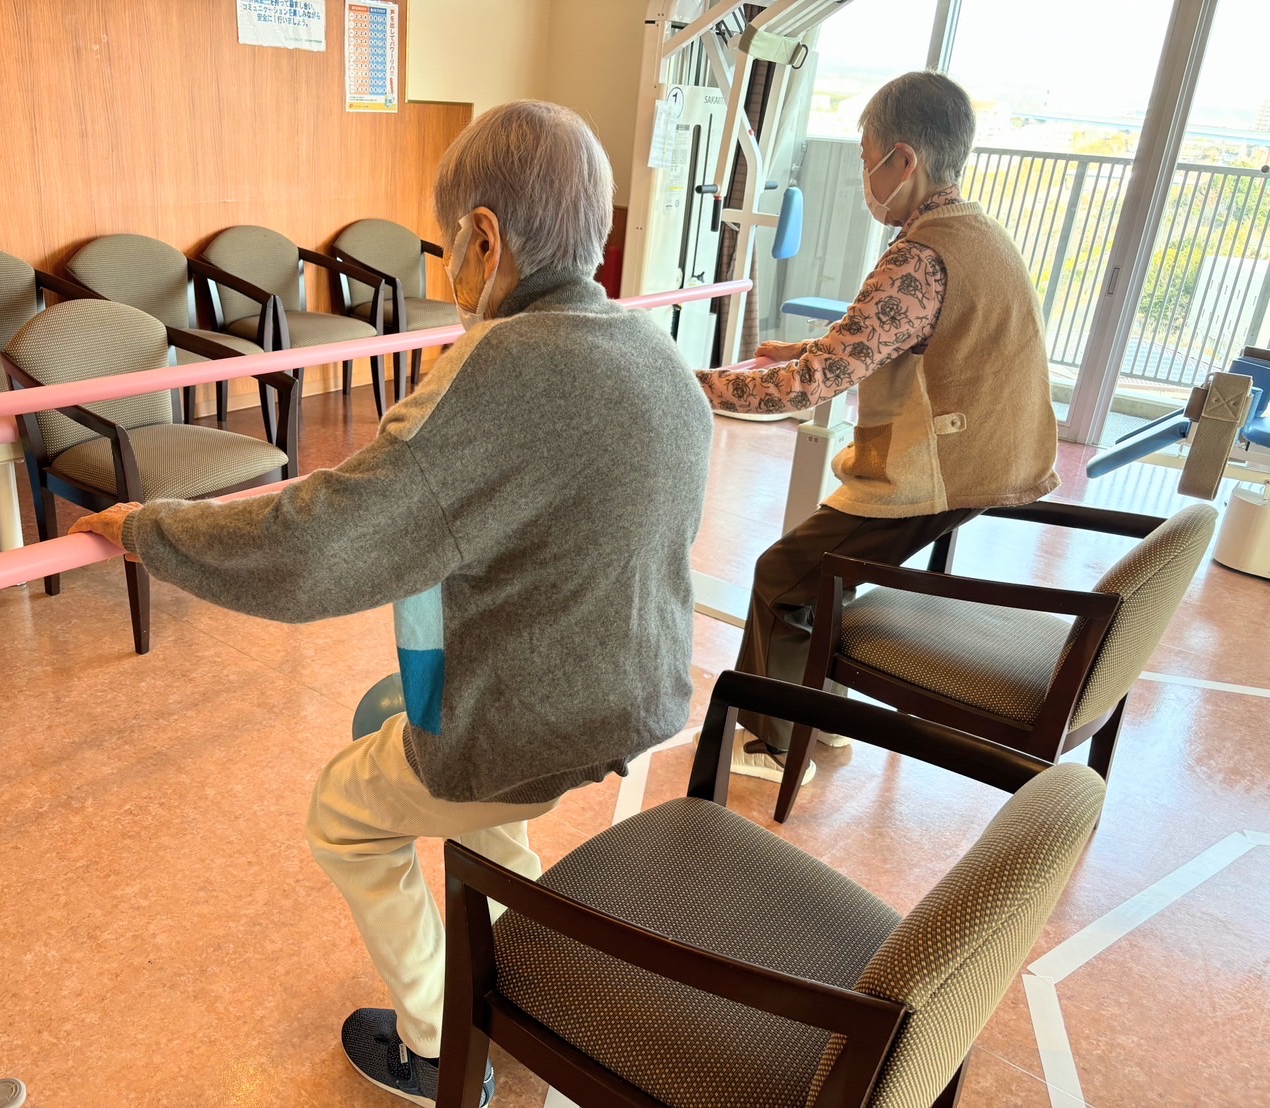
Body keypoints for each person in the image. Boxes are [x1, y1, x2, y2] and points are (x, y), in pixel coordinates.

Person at [70, 100, 713, 1107]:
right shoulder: (654, 352)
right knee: (423, 751)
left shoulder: (502, 364)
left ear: (485, 238)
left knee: (344, 814)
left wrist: (149, 530)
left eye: (448, 244)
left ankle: (436, 1043)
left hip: (533, 713)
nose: (448, 269)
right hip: (634, 688)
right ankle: (513, 971)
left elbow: (314, 550)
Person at [695, 71, 1059, 784]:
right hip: (996, 455)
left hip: (941, 471)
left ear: (903, 159)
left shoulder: (918, 256)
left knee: (784, 577)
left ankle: (776, 745)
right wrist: (805, 348)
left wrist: (689, 381)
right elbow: (887, 339)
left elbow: (807, 387)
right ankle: (825, 719)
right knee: (830, 575)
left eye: (866, 158)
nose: (864, 174)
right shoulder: (976, 230)